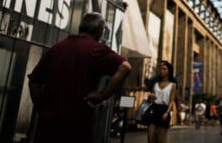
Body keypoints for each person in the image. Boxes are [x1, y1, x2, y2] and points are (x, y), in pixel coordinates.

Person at [28, 12, 132, 142]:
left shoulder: (56, 48)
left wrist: (42, 108)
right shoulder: (97, 50)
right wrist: (101, 95)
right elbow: (125, 67)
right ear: (100, 30)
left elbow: (34, 82)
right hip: (78, 126)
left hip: (48, 127)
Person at [142, 61, 178, 143]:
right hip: (154, 109)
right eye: (161, 69)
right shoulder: (155, 84)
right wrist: (150, 96)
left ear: (169, 71)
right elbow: (153, 97)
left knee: (160, 139)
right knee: (150, 138)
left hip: (164, 110)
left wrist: (167, 112)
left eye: (164, 69)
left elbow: (172, 101)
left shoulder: (172, 85)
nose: (161, 70)